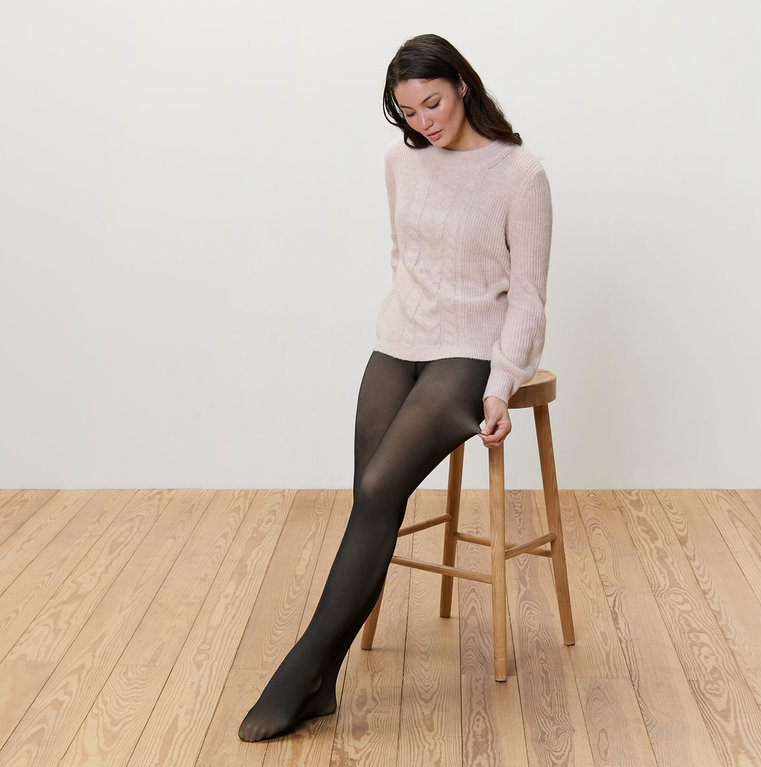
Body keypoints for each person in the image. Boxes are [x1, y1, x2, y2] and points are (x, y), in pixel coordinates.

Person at [238, 32, 552, 742]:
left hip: (469, 349)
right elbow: (404, 254)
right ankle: (320, 685)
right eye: (408, 112)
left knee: (381, 489)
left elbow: (530, 299)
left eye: (432, 103)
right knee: (371, 496)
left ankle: (303, 670)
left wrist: (502, 384)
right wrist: (403, 322)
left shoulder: (520, 173)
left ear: (462, 85)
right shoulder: (399, 162)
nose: (424, 122)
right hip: (400, 339)